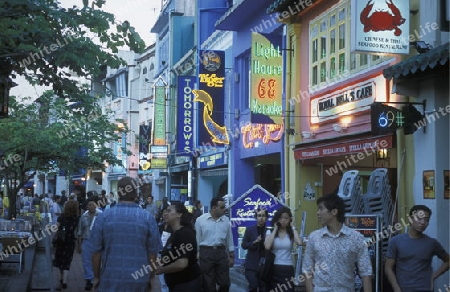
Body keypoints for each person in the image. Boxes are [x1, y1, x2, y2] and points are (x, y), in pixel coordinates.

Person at [84, 176, 162, 291]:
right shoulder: (148, 218)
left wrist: (96, 277)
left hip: (110, 278)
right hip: (139, 280)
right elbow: (152, 254)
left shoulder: (103, 217)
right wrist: (151, 277)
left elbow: (96, 253)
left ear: (118, 193)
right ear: (136, 194)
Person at [303, 193, 372, 292]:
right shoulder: (314, 237)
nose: (318, 213)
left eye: (321, 209)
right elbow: (307, 269)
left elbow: (366, 272)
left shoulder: (356, 238)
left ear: (334, 212)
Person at [385, 205, 449, 292]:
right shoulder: (396, 241)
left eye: (426, 219)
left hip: (425, 289)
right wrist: (396, 288)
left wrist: (433, 276)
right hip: (403, 289)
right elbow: (388, 268)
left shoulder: (432, 243)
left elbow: (448, 261)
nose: (423, 222)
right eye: (419, 218)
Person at [155, 202, 202, 291]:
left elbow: (181, 263)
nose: (165, 213)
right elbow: (173, 255)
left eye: (169, 211)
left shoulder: (185, 233)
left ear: (179, 214)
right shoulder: (174, 233)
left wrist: (161, 270)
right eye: (165, 211)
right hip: (176, 284)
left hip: (186, 284)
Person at [195, 196, 234, 292]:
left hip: (221, 252)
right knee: (208, 283)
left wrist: (231, 255)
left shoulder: (226, 220)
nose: (224, 209)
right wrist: (197, 253)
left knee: (225, 283)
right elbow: (197, 238)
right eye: (222, 207)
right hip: (206, 252)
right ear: (213, 208)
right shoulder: (200, 220)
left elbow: (229, 238)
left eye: (224, 207)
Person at [264, 207, 303, 292]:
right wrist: (275, 230)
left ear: (290, 219)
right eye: (281, 218)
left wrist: (293, 227)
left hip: (288, 268)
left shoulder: (291, 233)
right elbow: (267, 246)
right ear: (277, 219)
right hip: (274, 268)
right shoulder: (270, 231)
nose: (283, 220)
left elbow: (299, 243)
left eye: (286, 218)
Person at [52, 200, 80, 289]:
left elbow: (56, 227)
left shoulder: (62, 217)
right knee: (67, 260)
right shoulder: (77, 217)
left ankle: (61, 277)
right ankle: (65, 280)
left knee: (60, 259)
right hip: (70, 240)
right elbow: (78, 231)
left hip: (61, 240)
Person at [77, 197, 102, 290]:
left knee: (97, 261)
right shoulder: (84, 216)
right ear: (87, 207)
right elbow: (80, 230)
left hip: (98, 241)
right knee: (86, 261)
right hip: (87, 240)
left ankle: (97, 278)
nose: (91, 206)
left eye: (93, 204)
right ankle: (89, 280)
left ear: (96, 205)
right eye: (89, 205)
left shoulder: (101, 215)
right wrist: (79, 244)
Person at [242, 207, 268, 292]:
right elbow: (244, 245)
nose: (261, 218)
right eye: (259, 215)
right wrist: (254, 242)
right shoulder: (249, 230)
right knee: (253, 286)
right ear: (256, 217)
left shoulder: (269, 230)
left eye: (263, 216)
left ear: (266, 217)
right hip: (251, 264)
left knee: (263, 288)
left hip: (265, 265)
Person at [158, 207, 172, 292]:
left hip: (171, 253)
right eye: (164, 212)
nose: (165, 214)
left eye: (167, 212)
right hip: (160, 253)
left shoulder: (174, 227)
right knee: (161, 278)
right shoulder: (160, 226)